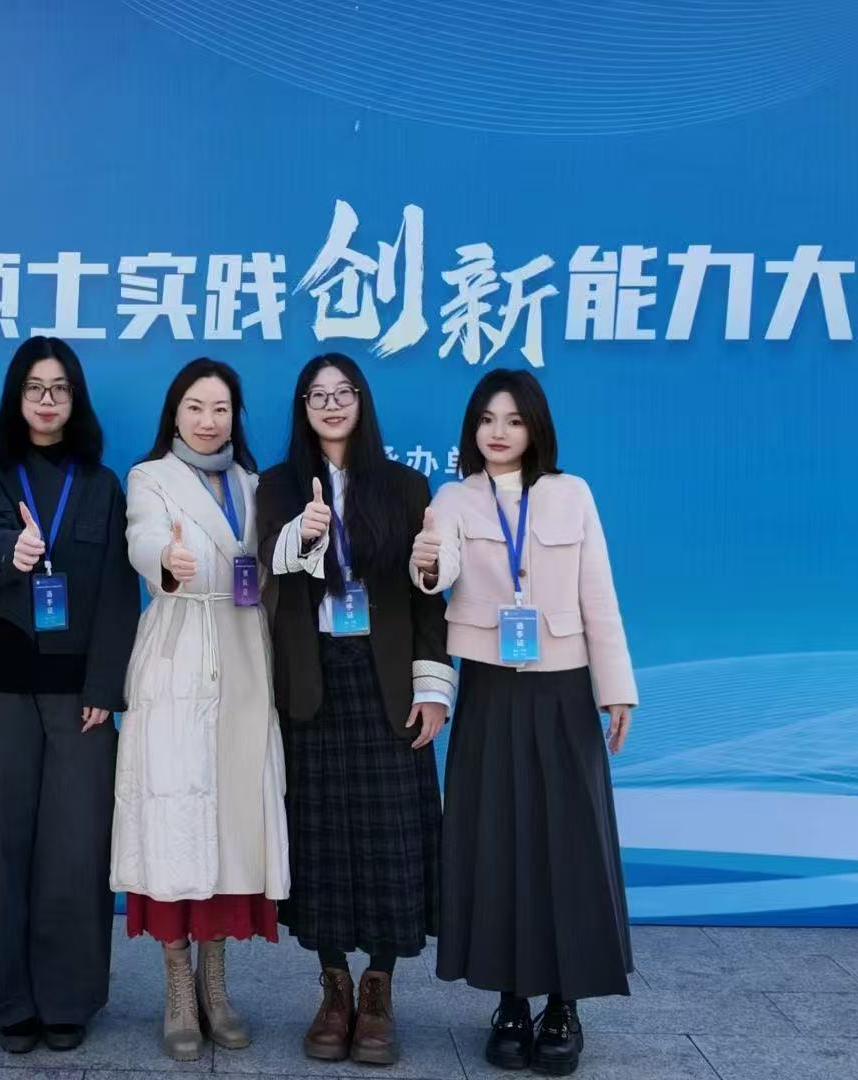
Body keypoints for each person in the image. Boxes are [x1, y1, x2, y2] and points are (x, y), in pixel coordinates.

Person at [411, 368, 637, 1076]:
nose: (499, 432)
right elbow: (439, 571)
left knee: (569, 844)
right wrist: (426, 564)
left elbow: (599, 595)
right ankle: (509, 1000)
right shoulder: (452, 498)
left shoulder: (573, 494)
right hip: (490, 689)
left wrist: (616, 689)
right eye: (486, 419)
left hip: (564, 687)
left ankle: (563, 1004)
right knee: (495, 842)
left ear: (536, 427)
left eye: (512, 419)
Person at [255, 353, 452, 1065]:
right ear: (303, 407)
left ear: (362, 402)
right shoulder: (277, 485)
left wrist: (433, 689)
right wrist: (304, 536)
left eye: (344, 393)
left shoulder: (403, 486)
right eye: (318, 395)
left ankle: (379, 989)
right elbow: (267, 569)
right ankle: (333, 985)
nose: (332, 404)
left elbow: (428, 598)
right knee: (323, 842)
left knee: (390, 840)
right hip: (310, 681)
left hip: (385, 680)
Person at [0, 336, 139, 1052]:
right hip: (4, 691)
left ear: (75, 399)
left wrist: (105, 687)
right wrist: (13, 550)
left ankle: (69, 999)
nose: (46, 400)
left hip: (80, 698)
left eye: (59, 388)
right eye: (34, 388)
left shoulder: (102, 484)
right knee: (1, 845)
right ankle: (7, 1003)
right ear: (16, 398)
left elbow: (120, 593)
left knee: (76, 847)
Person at [110, 357, 290, 1062]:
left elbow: (277, 561)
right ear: (175, 413)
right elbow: (142, 538)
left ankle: (218, 982)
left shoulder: (255, 483)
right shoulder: (150, 477)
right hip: (180, 650)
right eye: (195, 407)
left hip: (245, 655)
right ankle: (178, 985)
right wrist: (166, 561)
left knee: (231, 822)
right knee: (176, 817)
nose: (208, 421)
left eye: (220, 408)